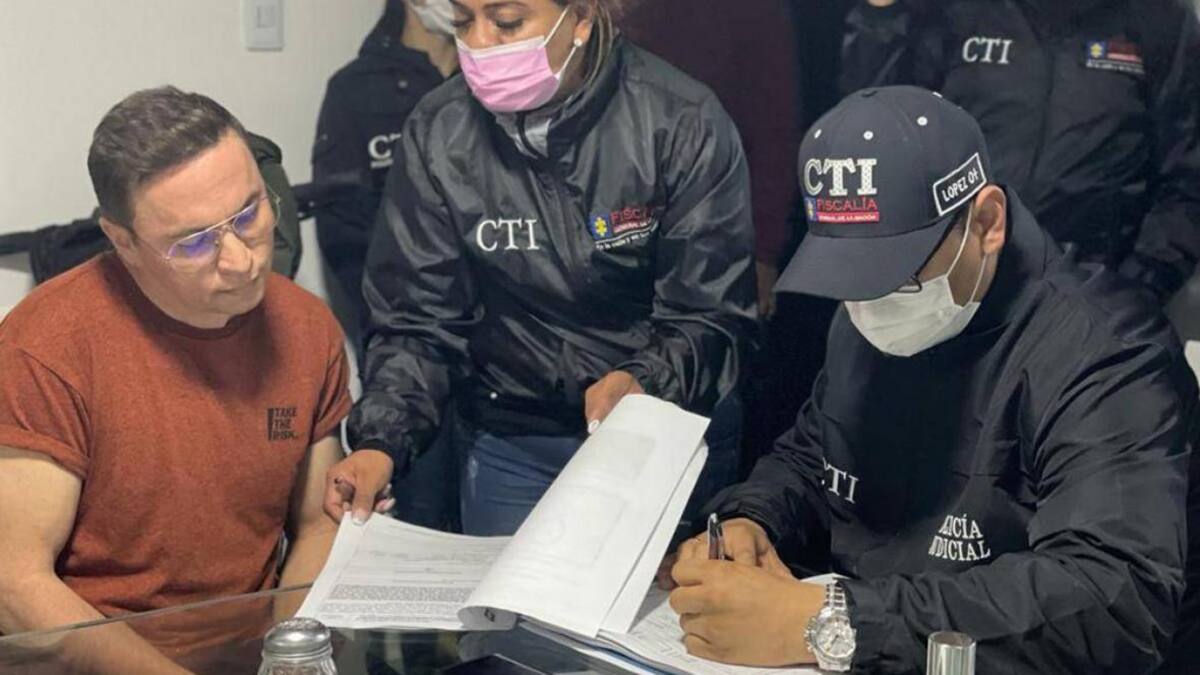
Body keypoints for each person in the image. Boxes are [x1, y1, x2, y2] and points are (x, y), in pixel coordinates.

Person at [668, 86, 1196, 674]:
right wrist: (753, 519)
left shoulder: (1105, 353)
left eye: (898, 274)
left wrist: (832, 622)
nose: (869, 305)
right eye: (849, 277)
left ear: (987, 222)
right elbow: (815, 456)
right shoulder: (866, 315)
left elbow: (1113, 597)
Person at [324, 0, 758, 537]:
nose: (480, 42)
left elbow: (711, 313)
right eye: (463, 21)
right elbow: (416, 319)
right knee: (509, 593)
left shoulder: (679, 120)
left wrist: (646, 381)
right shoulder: (441, 131)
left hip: (661, 431)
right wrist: (380, 442)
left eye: (507, 22)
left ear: (582, 18)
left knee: (666, 593)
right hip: (514, 440)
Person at [0, 87, 365, 673]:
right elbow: (15, 585)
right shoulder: (45, 346)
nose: (241, 260)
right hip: (92, 659)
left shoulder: (304, 326)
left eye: (248, 214)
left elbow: (317, 523)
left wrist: (287, 656)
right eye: (194, 242)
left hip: (249, 651)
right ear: (123, 241)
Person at [840, 0, 1200, 305]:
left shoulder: (1163, 21)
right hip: (945, 286)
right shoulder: (955, 10)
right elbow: (876, 134)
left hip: (1086, 304)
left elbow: (1188, 182)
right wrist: (881, 18)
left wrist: (1131, 293)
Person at [313, 0, 462, 533]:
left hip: (500, 362)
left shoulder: (499, 75)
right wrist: (396, 325)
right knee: (421, 524)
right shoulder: (357, 89)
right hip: (408, 349)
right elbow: (342, 235)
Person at [313, 0, 458, 347]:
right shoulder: (355, 89)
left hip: (498, 338)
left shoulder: (494, 80)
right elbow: (341, 231)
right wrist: (389, 329)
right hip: (399, 329)